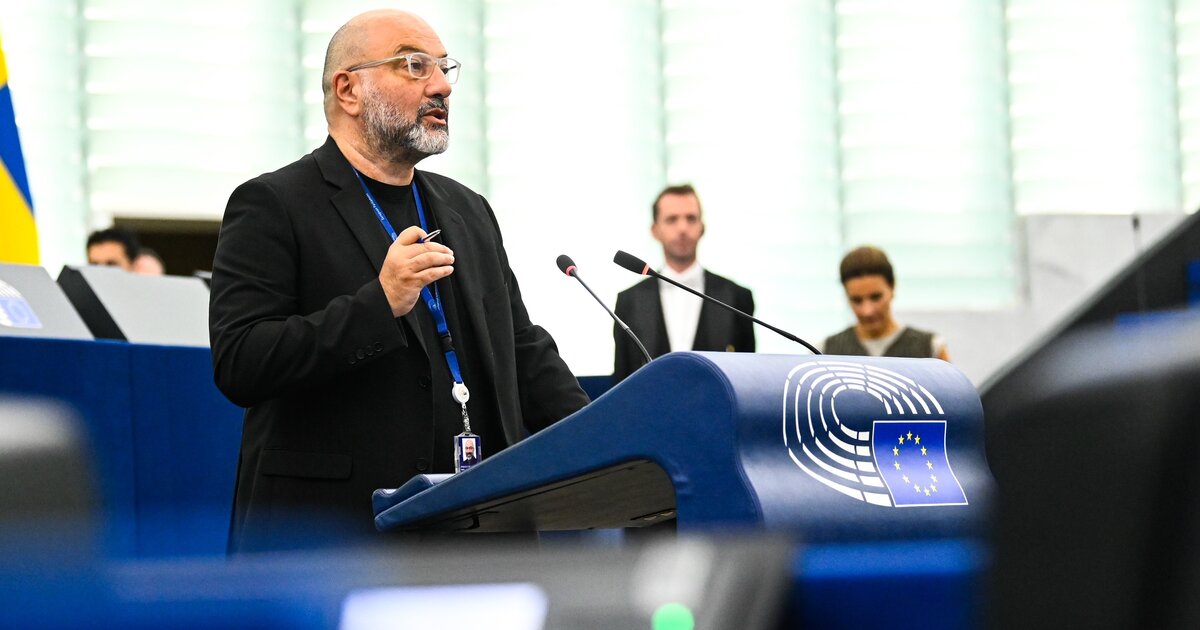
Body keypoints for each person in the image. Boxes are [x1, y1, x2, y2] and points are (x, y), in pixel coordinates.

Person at [208, 9, 588, 552]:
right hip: (337, 536)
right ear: (349, 90)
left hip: (478, 533)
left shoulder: (468, 210)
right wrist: (379, 304)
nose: (441, 86)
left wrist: (607, 437)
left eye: (443, 68)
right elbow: (241, 361)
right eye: (414, 65)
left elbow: (520, 348)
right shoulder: (275, 203)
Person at [612, 184, 755, 383]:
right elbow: (622, 383)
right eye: (672, 219)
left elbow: (747, 379)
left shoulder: (737, 297)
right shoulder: (629, 301)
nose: (682, 228)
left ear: (702, 227)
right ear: (655, 230)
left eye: (691, 218)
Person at [824, 245, 950, 360]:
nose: (867, 311)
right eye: (857, 300)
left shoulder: (930, 348)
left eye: (876, 297)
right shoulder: (825, 353)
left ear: (892, 287)